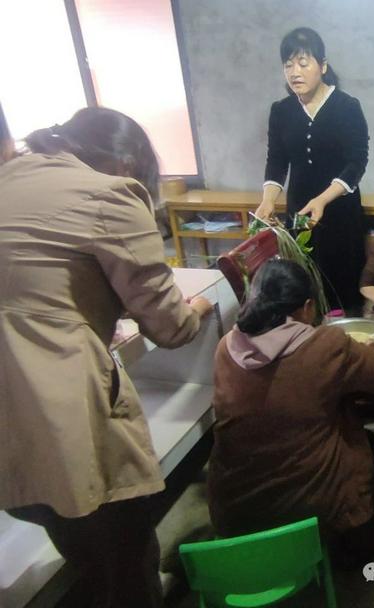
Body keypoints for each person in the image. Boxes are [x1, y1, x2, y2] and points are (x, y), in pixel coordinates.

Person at [0, 107, 213, 607]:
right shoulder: (110, 194)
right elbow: (170, 324)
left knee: (75, 539)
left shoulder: (13, 176)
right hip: (60, 419)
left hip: (12, 428)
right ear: (125, 164)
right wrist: (199, 305)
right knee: (124, 551)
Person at [207, 258, 374, 566]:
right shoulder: (325, 344)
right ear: (308, 306)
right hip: (307, 512)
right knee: (358, 445)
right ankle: (350, 535)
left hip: (233, 511)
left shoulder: (226, 346)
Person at [255, 27, 369, 314]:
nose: (295, 72)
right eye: (288, 65)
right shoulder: (281, 111)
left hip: (340, 211)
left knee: (343, 283)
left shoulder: (347, 107)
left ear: (323, 66)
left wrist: (323, 199)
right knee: (304, 281)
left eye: (303, 63)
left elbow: (357, 162)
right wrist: (269, 199)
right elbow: (277, 160)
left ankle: (346, 340)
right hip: (299, 211)